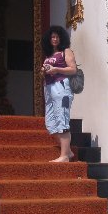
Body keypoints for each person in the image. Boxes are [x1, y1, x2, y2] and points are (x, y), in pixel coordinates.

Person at [41, 25, 77, 162]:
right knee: (50, 123)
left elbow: (73, 70)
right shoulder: (49, 55)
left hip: (61, 87)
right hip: (49, 88)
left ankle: (64, 156)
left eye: (56, 36)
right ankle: (68, 151)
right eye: (52, 37)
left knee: (62, 120)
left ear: (61, 38)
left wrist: (56, 69)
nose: (54, 39)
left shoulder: (66, 51)